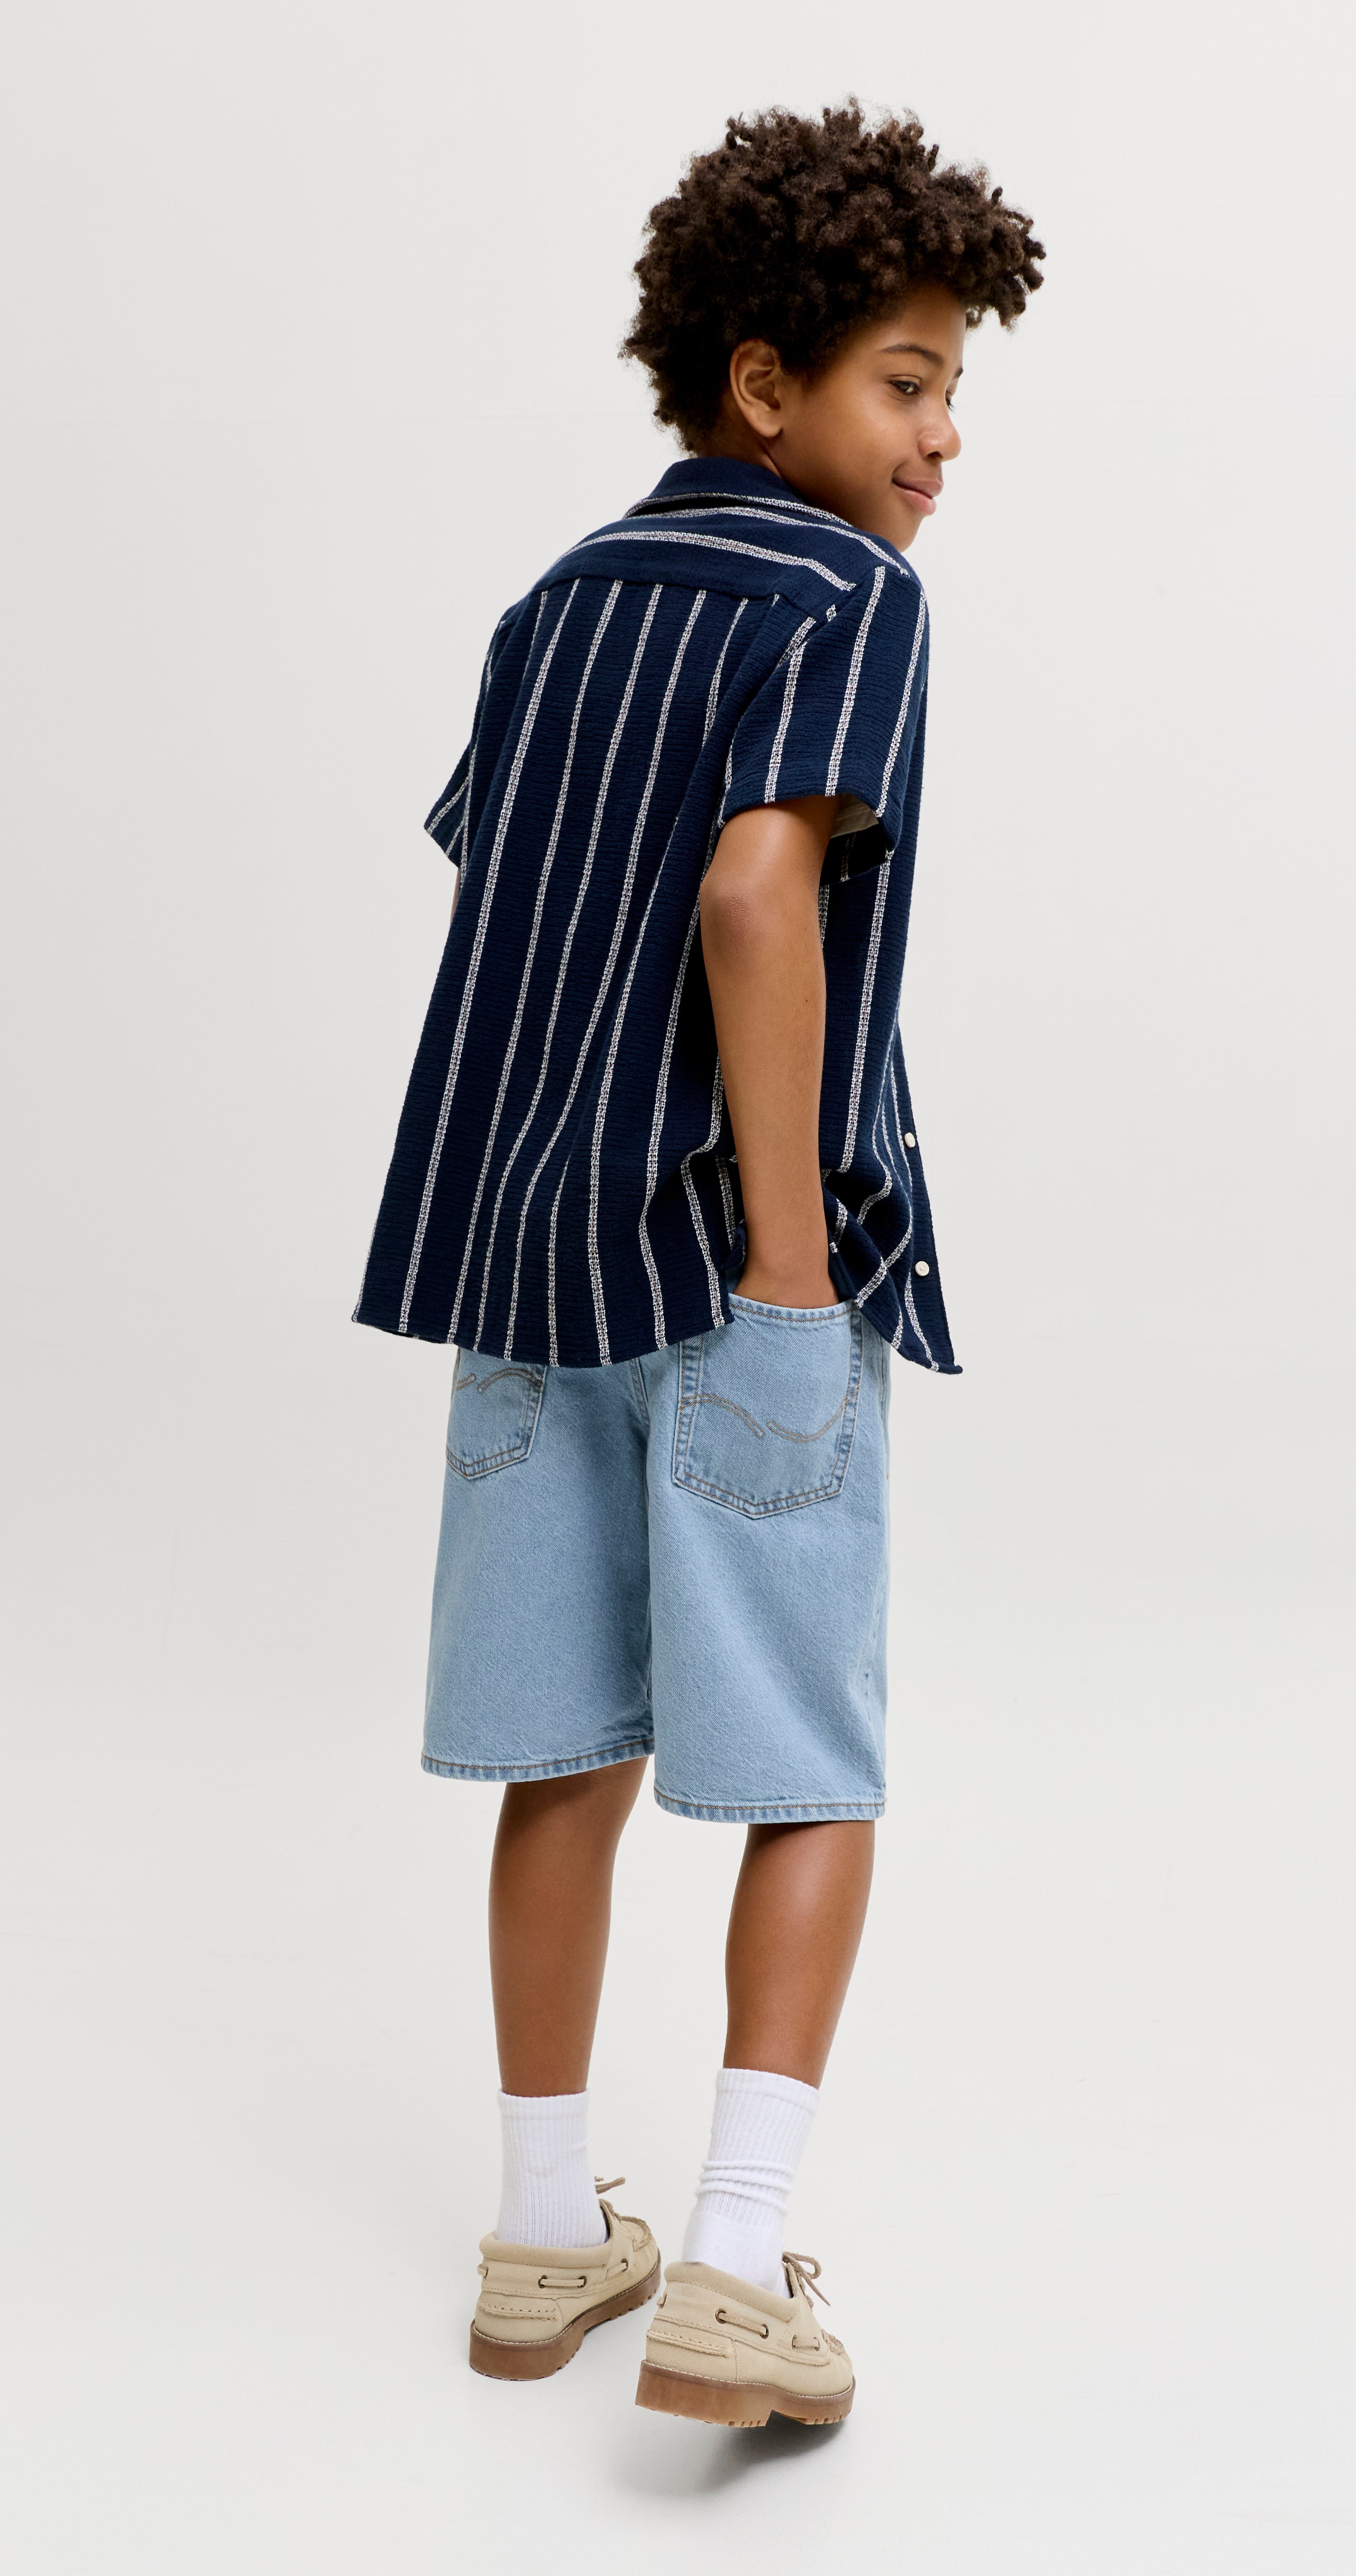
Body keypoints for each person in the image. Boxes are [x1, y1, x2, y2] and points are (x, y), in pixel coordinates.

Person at [354, 102, 1041, 2426]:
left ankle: (544, 2236)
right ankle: (738, 2265)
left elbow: (516, 899)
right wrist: (785, 1259)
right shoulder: (847, 598)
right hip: (734, 1261)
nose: (942, 437)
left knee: (564, 1753)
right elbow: (756, 893)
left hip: (520, 1261)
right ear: (765, 386)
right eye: (906, 382)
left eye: (952, 389)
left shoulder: (555, 605)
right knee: (808, 1766)